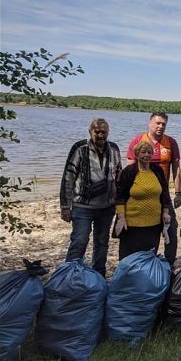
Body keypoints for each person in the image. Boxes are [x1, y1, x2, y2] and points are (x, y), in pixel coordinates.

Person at [60, 118, 122, 277]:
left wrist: (121, 205)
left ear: (108, 132)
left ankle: (98, 277)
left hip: (107, 207)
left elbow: (119, 177)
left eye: (104, 132)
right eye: (97, 132)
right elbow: (68, 177)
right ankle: (69, 276)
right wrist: (65, 206)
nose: (100, 135)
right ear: (90, 132)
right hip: (83, 207)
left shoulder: (114, 149)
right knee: (79, 242)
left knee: (102, 244)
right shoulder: (80, 148)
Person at [126, 112, 181, 260]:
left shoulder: (171, 143)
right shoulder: (138, 141)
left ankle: (169, 262)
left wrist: (178, 193)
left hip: (162, 194)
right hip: (141, 194)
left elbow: (176, 169)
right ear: (150, 123)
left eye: (163, 124)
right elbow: (129, 172)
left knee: (171, 229)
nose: (160, 126)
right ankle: (144, 260)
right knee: (147, 230)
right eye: (157, 123)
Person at [113, 141, 173, 261]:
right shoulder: (128, 172)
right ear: (136, 154)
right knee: (129, 258)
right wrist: (121, 217)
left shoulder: (157, 171)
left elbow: (165, 194)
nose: (147, 155)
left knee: (149, 257)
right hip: (132, 225)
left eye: (149, 152)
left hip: (154, 224)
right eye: (143, 152)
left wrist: (166, 212)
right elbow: (120, 196)